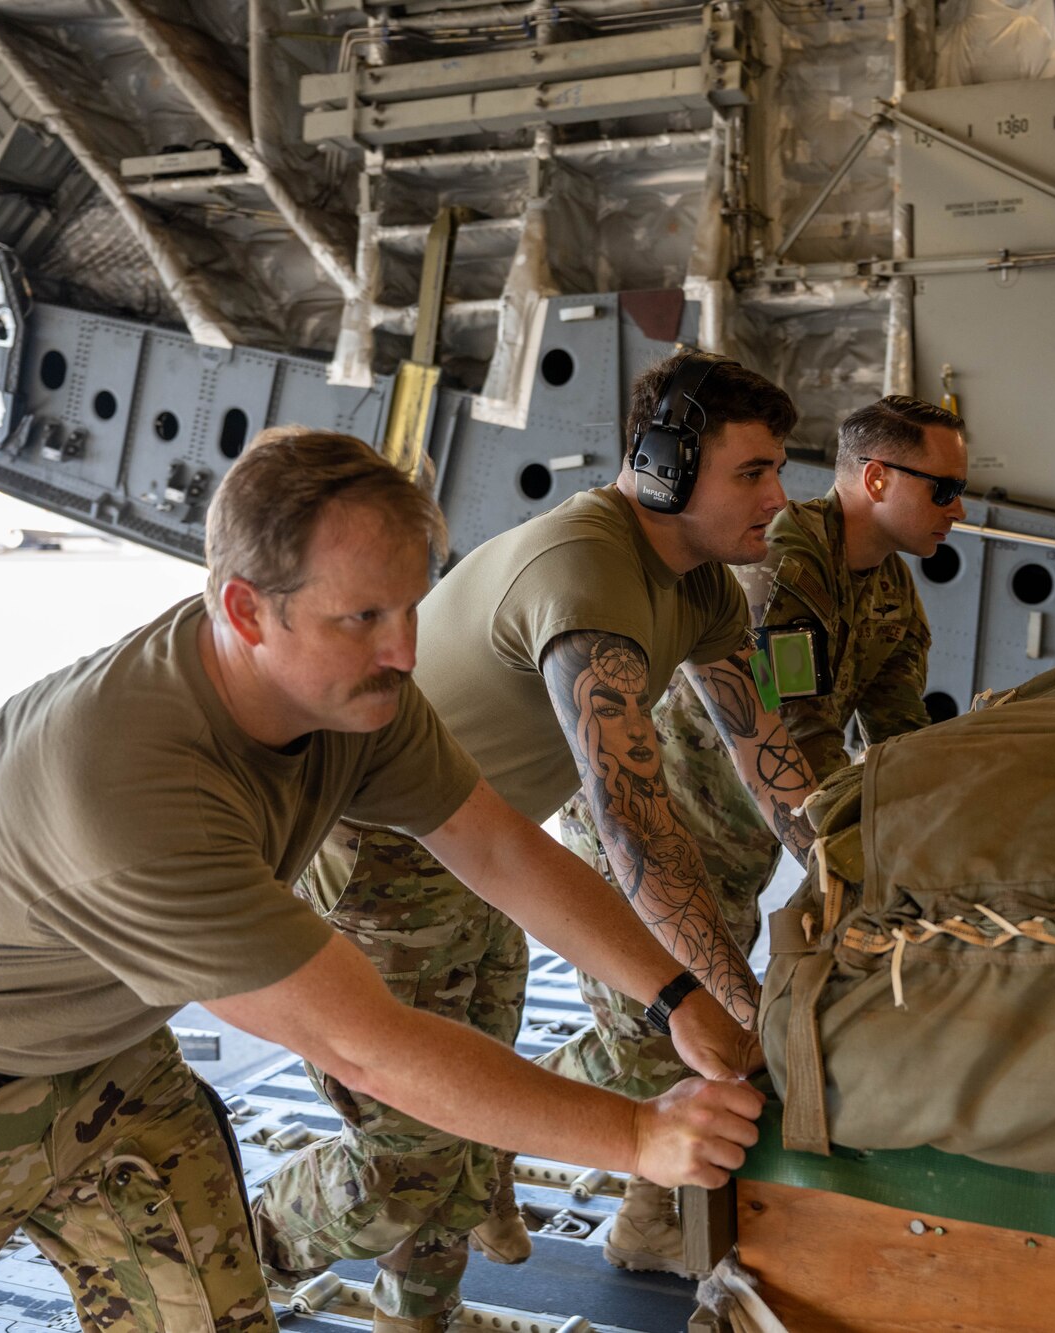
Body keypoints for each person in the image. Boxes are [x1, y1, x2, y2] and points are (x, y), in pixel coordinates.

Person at [0, 427, 762, 1333]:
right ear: (246, 612)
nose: (403, 650)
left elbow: (497, 847)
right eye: (361, 619)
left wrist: (670, 998)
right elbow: (362, 1043)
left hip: (103, 1047)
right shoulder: (130, 785)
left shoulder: (352, 697)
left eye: (411, 609)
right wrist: (635, 1136)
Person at [252, 354, 821, 1331]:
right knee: (402, 1164)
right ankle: (240, 1250)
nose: (779, 497)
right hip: (379, 866)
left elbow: (765, 752)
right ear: (663, 465)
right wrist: (728, 999)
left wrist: (851, 867)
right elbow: (632, 820)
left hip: (487, 858)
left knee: (471, 1124)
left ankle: (413, 1316)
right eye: (751, 473)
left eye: (778, 469)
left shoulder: (707, 592)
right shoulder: (586, 565)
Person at [544, 394, 968, 1273]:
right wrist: (852, 861)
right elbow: (791, 730)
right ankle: (468, 1135)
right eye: (945, 489)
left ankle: (645, 1223)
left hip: (732, 860)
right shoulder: (781, 566)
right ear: (878, 477)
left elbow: (894, 747)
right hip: (646, 844)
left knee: (697, 1055)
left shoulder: (893, 599)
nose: (958, 510)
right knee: (645, 1045)